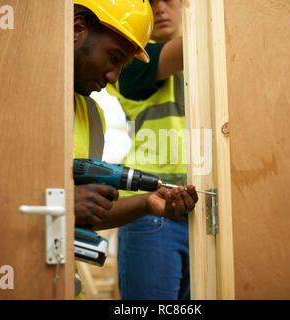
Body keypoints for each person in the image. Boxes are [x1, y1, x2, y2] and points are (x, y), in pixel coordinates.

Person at [72, 0, 198, 298]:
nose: (159, 9)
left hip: (187, 210)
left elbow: (86, 211)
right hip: (154, 225)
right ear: (77, 29)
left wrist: (147, 201)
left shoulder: (91, 116)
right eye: (114, 58)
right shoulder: (141, 65)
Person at [106, 0, 189, 300]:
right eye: (150, 2)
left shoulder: (212, 67)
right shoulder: (131, 62)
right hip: (152, 212)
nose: (160, 9)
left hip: (204, 210)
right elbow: (189, 47)